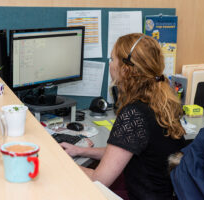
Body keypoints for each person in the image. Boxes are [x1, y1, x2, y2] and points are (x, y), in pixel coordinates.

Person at [60, 33, 186, 200]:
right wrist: (81, 150)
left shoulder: (134, 114)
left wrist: (59, 162)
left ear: (125, 69)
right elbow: (123, 152)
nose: (110, 64)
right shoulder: (162, 100)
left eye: (112, 59)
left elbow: (99, 181)